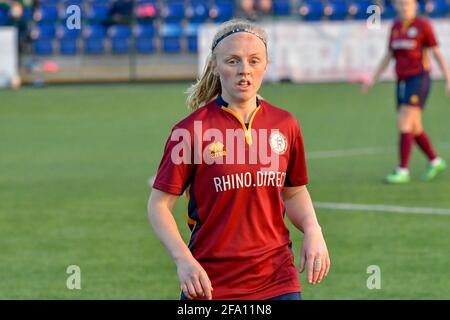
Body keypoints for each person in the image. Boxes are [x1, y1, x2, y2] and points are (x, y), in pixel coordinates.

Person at [147, 19, 330, 300]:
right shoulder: (190, 131)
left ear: (266, 64)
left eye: (254, 60)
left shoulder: (285, 124)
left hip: (278, 279)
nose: (244, 70)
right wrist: (183, 260)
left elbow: (293, 193)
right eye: (233, 61)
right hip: (209, 284)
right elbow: (158, 206)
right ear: (214, 66)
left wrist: (313, 229)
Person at [363, 0, 450, 183]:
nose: (405, 8)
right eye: (401, 5)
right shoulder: (395, 26)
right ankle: (435, 161)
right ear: (396, 7)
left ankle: (402, 169)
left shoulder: (423, 26)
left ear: (415, 6)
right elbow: (388, 56)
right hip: (402, 81)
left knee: (404, 122)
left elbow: (436, 53)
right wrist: (373, 79)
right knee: (415, 127)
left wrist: (448, 79)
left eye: (408, 5)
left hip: (419, 79)